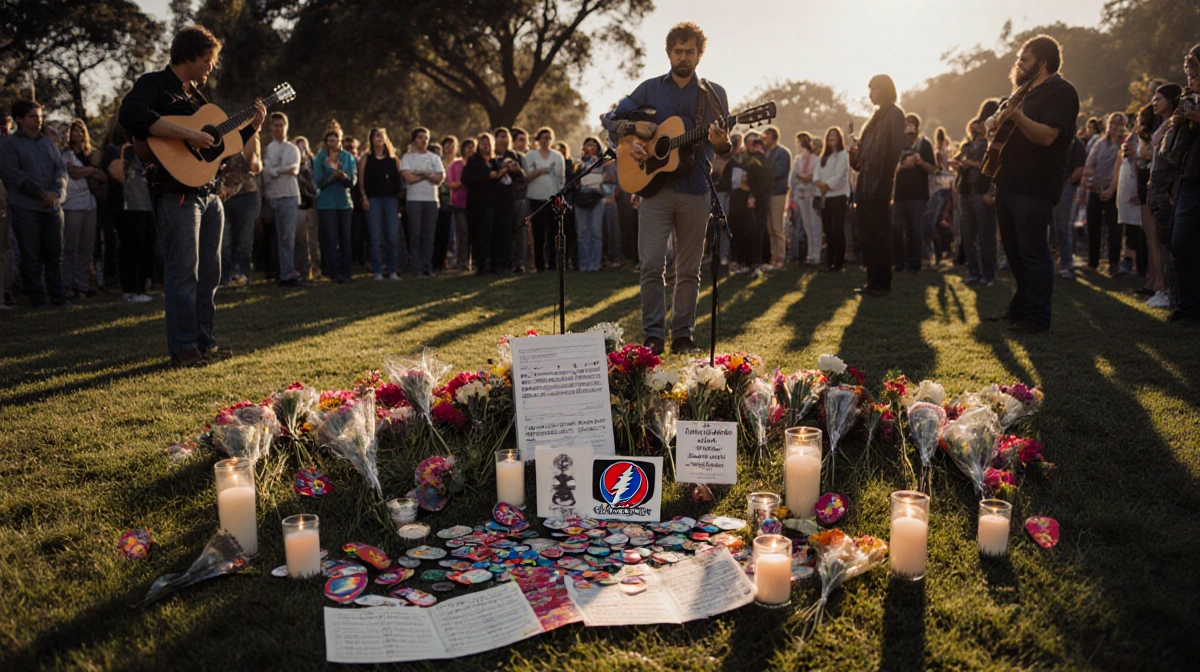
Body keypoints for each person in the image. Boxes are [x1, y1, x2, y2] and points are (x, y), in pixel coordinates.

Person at [119, 26, 266, 365]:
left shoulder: (198, 98)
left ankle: (204, 342)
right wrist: (186, 133)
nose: (210, 67)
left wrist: (252, 127)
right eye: (207, 60)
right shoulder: (153, 84)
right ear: (189, 56)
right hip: (176, 194)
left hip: (210, 194)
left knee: (210, 273)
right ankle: (183, 348)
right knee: (184, 270)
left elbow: (219, 147)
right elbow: (130, 116)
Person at [604, 21, 731, 355]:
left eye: (690, 51)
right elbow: (611, 121)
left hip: (697, 188)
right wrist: (632, 136)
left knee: (689, 269)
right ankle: (653, 336)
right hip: (654, 190)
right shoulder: (649, 89)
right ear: (668, 52)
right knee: (650, 265)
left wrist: (722, 143)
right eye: (678, 51)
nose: (684, 57)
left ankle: (683, 335)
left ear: (700, 54)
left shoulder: (714, 94)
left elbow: (724, 148)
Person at [986, 34, 1080, 333]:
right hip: (1008, 181)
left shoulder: (1061, 92)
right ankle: (1020, 308)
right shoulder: (1022, 92)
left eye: (1024, 60)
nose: (1018, 64)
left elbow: (1047, 136)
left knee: (1034, 253)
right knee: (1013, 251)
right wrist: (995, 124)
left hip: (1036, 185)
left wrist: (1017, 117)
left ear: (1042, 63)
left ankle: (1038, 319)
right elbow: (1007, 131)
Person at [0, 100, 68, 308]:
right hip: (26, 208)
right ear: (20, 119)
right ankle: (38, 299)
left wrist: (56, 193)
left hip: (53, 207)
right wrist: (40, 194)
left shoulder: (48, 143)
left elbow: (61, 170)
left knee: (55, 255)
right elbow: (13, 175)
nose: (38, 120)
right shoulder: (8, 145)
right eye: (32, 116)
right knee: (31, 255)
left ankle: (58, 298)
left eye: (39, 116)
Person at [850, 74, 906, 296]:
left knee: (880, 234)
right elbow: (863, 158)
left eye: (873, 88)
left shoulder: (894, 114)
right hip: (864, 184)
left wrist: (884, 181)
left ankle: (882, 283)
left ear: (883, 89)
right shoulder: (873, 119)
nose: (870, 93)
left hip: (879, 184)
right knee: (868, 235)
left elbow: (893, 153)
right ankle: (873, 281)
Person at [1169, 44, 1200, 324]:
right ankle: (1188, 306)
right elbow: (1170, 148)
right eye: (1188, 68)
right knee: (1181, 244)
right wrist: (1177, 122)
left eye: (1194, 67)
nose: (1190, 74)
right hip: (1190, 180)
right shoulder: (1188, 100)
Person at [105, 131, 155, 303]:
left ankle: (141, 287)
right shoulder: (116, 149)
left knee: (146, 247)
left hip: (148, 206)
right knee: (131, 247)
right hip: (128, 206)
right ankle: (129, 289)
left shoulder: (151, 148)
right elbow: (116, 173)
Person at [1148, 83, 1184, 310]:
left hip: (1167, 189)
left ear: (1171, 101)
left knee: (1168, 243)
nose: (1154, 102)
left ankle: (1173, 294)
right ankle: (1167, 290)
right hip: (1156, 185)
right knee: (1161, 241)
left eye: (1159, 98)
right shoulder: (1164, 124)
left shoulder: (1177, 125)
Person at [954, 107, 998, 286]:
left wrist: (991, 192)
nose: (976, 127)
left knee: (986, 236)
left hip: (981, 191)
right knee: (968, 234)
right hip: (966, 191)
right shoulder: (968, 145)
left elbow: (994, 168)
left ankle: (988, 274)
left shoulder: (992, 143)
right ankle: (973, 272)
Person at [891, 113, 938, 273]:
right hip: (899, 193)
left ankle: (915, 264)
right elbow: (890, 169)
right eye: (906, 125)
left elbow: (933, 169)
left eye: (912, 125)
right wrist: (901, 166)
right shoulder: (897, 146)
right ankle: (899, 263)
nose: (909, 128)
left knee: (914, 229)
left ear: (917, 128)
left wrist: (920, 161)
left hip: (918, 194)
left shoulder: (924, 144)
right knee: (896, 228)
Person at [61, 118, 102, 299]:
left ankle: (82, 286)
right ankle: (67, 285)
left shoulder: (91, 154)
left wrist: (91, 170)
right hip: (72, 205)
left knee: (86, 248)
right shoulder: (66, 154)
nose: (78, 134)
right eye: (74, 131)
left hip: (89, 205)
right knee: (71, 248)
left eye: (81, 131)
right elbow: (74, 173)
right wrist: (91, 170)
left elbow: (103, 175)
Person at [314, 121, 358, 284]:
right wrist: (332, 176)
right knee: (331, 238)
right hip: (326, 203)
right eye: (330, 141)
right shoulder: (320, 158)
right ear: (326, 143)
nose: (333, 144)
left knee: (345, 238)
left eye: (336, 140)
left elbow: (353, 180)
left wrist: (344, 177)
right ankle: (334, 272)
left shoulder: (348, 157)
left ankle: (347, 272)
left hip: (344, 203)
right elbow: (317, 181)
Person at [261, 112, 301, 286]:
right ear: (271, 127)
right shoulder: (267, 148)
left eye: (281, 125)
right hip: (272, 196)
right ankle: (276, 271)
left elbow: (294, 169)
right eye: (276, 125)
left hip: (289, 196)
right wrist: (277, 170)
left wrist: (276, 170)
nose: (279, 128)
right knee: (273, 238)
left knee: (287, 237)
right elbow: (266, 172)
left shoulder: (292, 148)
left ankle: (288, 273)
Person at [1083, 112, 1125, 275]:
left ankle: (1114, 263)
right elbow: (1090, 163)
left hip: (1114, 191)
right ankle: (1093, 262)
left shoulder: (1124, 143)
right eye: (1112, 123)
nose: (1115, 126)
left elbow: (1121, 168)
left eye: (1118, 124)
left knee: (1114, 229)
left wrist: (1111, 189)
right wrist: (1087, 178)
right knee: (1093, 228)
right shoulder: (1100, 143)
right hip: (1095, 190)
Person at [218, 129, 261, 289]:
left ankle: (243, 274)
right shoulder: (221, 142)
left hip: (246, 196)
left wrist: (252, 162)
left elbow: (257, 166)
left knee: (244, 238)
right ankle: (225, 277)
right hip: (224, 196)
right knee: (225, 241)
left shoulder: (251, 140)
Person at [359, 127, 402, 281]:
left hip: (391, 199)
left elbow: (399, 181)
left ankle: (392, 270)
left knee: (391, 236)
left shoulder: (393, 159)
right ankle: (377, 270)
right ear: (371, 139)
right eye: (376, 136)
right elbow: (362, 180)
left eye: (381, 136)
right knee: (375, 236)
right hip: (373, 200)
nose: (379, 139)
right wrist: (364, 197)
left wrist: (399, 204)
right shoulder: (366, 158)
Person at [401, 126, 444, 278]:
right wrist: (426, 176)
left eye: (426, 137)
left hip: (431, 200)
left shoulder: (434, 158)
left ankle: (427, 266)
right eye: (420, 137)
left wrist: (424, 174)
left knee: (429, 235)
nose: (423, 140)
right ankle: (416, 268)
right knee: (415, 234)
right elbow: (409, 179)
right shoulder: (407, 158)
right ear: (414, 140)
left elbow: (439, 178)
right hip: (414, 200)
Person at [524, 127, 565, 272]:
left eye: (549, 138)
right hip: (536, 198)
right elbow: (527, 176)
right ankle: (540, 265)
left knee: (554, 233)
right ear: (538, 139)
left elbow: (561, 178)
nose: (546, 140)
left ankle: (554, 264)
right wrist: (542, 171)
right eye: (543, 137)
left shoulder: (557, 156)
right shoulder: (530, 156)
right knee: (538, 233)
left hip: (552, 198)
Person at [462, 132, 503, 275]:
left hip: (493, 204)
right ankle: (480, 265)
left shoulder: (494, 162)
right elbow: (466, 180)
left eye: (488, 145)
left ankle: (493, 264)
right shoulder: (474, 161)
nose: (486, 147)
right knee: (478, 235)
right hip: (477, 205)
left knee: (493, 234)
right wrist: (487, 176)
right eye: (483, 145)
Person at [814, 127, 850, 271]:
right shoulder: (823, 157)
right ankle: (829, 261)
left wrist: (827, 185)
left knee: (837, 229)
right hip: (825, 196)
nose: (832, 138)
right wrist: (819, 184)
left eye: (834, 135)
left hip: (838, 196)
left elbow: (840, 175)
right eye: (830, 136)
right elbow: (816, 173)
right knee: (827, 230)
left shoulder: (843, 155)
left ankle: (839, 262)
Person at [1054, 125, 1087, 280]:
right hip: (1051, 187)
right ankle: (1053, 260)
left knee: (1063, 226)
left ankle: (1067, 264)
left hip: (1066, 189)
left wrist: (1066, 182)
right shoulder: (1054, 142)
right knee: (1050, 226)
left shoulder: (1078, 145)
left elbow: (1080, 169)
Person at [490, 128, 523, 273]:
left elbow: (522, 175)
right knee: (496, 230)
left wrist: (514, 169)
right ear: (495, 139)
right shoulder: (491, 155)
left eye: (507, 136)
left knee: (512, 230)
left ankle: (511, 262)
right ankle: (496, 262)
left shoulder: (515, 155)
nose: (505, 139)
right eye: (502, 136)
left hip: (512, 195)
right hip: (495, 197)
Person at [761, 125, 792, 269]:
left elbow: (779, 172)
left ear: (772, 137)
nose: (763, 140)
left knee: (777, 227)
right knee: (770, 228)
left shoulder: (783, 153)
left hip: (778, 193)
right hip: (767, 194)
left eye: (766, 137)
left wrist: (764, 178)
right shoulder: (766, 153)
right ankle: (774, 258)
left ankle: (781, 258)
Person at [574, 137, 607, 272]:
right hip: (581, 199)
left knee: (595, 231)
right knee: (582, 232)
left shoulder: (603, 162)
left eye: (594, 146)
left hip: (597, 199)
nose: (590, 148)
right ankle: (584, 264)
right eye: (588, 145)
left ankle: (595, 264)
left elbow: (607, 177)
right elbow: (575, 179)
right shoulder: (577, 162)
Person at [788, 132, 819, 265]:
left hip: (812, 193)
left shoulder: (815, 158)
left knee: (814, 225)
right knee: (806, 226)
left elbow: (811, 176)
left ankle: (816, 255)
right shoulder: (798, 159)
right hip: (800, 194)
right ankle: (809, 255)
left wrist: (800, 176)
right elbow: (794, 178)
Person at [292, 136, 321, 280]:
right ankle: (302, 269)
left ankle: (316, 267)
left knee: (313, 238)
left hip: (312, 203)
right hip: (298, 203)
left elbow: (316, 180)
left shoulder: (312, 162)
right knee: (300, 239)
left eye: (304, 147)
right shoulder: (292, 161)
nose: (301, 150)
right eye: (298, 146)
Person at [446, 137, 473, 271]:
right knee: (462, 233)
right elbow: (450, 183)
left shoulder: (477, 164)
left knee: (473, 233)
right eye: (468, 147)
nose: (471, 150)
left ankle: (473, 260)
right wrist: (464, 182)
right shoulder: (455, 165)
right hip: (459, 203)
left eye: (473, 147)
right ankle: (462, 261)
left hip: (475, 204)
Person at [509, 127, 531, 273]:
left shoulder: (528, 157)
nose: (524, 143)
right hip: (511, 197)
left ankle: (521, 261)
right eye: (520, 140)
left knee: (522, 232)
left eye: (525, 140)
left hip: (524, 197)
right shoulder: (512, 156)